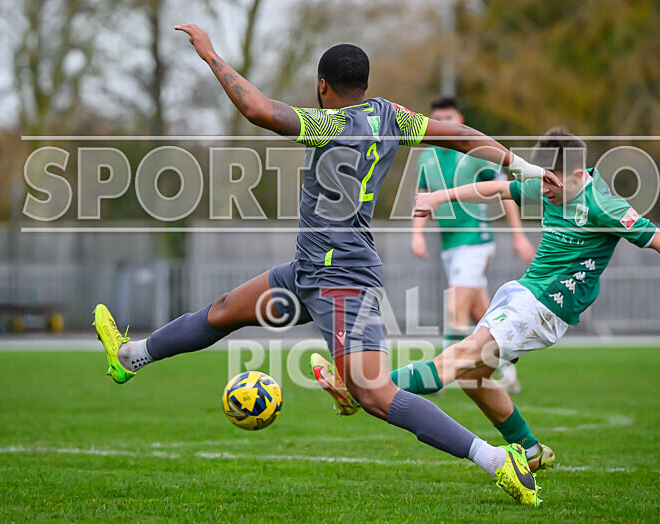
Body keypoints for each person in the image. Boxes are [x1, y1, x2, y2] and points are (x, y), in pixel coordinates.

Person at [93, 24, 560, 505]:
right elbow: (460, 135)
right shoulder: (390, 116)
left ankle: (498, 460)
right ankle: (131, 356)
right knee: (225, 310)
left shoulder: (330, 125)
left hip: (343, 280)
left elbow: (257, 110)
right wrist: (521, 165)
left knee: (375, 395)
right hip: (309, 269)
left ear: (322, 86)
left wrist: (211, 55)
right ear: (366, 84)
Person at [315, 127, 660, 474]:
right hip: (520, 295)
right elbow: (497, 187)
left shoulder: (603, 205)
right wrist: (438, 197)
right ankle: (529, 450)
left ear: (577, 176)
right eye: (542, 178)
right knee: (472, 375)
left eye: (552, 181)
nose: (543, 188)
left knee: (456, 357)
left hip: (544, 310)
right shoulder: (550, 184)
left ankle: (361, 390)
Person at [412, 96, 533, 393]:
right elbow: (422, 197)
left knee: (455, 309)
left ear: (460, 120)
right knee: (483, 316)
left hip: (475, 241)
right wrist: (416, 233)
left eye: (450, 118)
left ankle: (436, 377)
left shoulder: (475, 154)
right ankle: (505, 369)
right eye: (440, 119)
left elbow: (507, 191)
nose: (446, 123)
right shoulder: (426, 158)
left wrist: (518, 235)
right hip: (450, 245)